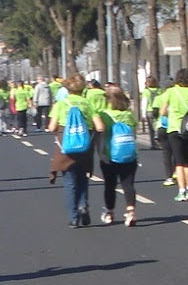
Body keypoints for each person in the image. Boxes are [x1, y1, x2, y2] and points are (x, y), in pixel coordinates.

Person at [48, 72, 106, 227]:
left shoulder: (61, 104)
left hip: (66, 146)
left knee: (70, 183)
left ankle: (73, 218)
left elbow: (52, 127)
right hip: (84, 146)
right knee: (83, 178)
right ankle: (83, 204)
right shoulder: (87, 104)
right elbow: (100, 127)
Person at [97, 83, 140, 225]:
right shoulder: (129, 114)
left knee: (110, 185)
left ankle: (110, 212)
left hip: (110, 155)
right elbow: (134, 128)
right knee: (128, 184)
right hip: (129, 155)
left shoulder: (104, 115)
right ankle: (131, 212)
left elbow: (100, 130)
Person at [159, 69, 188, 201]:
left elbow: (162, 111)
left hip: (174, 128)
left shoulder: (171, 92)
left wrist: (171, 114)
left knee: (179, 161)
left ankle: (181, 191)